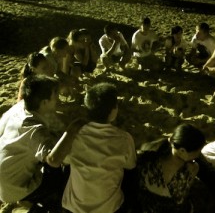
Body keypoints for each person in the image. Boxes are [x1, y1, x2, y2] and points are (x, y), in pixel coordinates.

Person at [0, 75, 84, 212]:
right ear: (45, 102)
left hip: (5, 174)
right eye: (55, 97)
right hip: (14, 189)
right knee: (66, 168)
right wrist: (72, 130)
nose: (58, 100)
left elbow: (56, 120)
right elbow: (54, 159)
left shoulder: (21, 107)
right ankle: (43, 204)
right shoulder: (34, 130)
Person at [62, 82, 136, 213]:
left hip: (74, 208)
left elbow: (65, 159)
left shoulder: (76, 135)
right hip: (109, 209)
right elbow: (130, 165)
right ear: (113, 110)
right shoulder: (124, 138)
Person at [135, 123, 206, 213]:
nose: (198, 154)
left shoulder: (145, 158)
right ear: (182, 151)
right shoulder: (189, 171)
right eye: (197, 151)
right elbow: (179, 200)